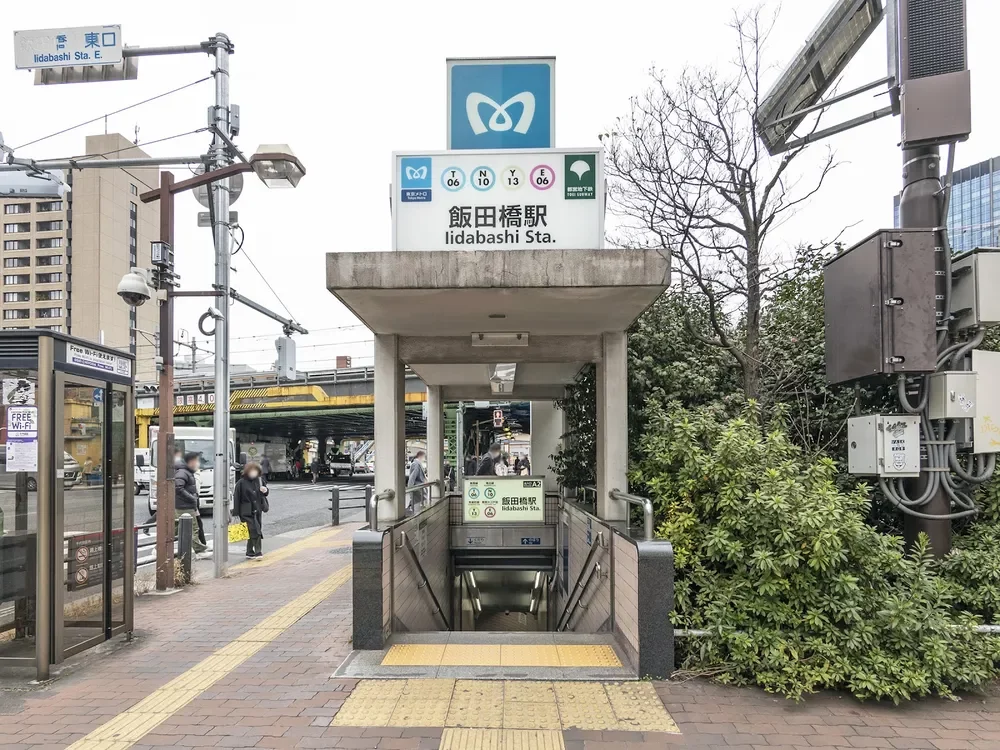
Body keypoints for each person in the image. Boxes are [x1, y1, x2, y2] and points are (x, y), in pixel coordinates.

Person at [234, 461, 269, 558]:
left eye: (256, 471)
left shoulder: (260, 480)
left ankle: (249, 552)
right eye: (252, 471)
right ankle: (258, 552)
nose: (254, 473)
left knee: (252, 531)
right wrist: (235, 513)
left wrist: (265, 491)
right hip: (245, 511)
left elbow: (265, 492)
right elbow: (236, 498)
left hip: (257, 510)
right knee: (255, 530)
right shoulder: (241, 483)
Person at [175, 452, 208, 554]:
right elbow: (178, 487)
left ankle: (200, 548)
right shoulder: (183, 472)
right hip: (185, 505)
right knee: (193, 528)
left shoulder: (188, 472)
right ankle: (199, 551)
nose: (198, 463)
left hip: (187, 505)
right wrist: (192, 498)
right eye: (197, 460)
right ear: (191, 462)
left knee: (178, 529)